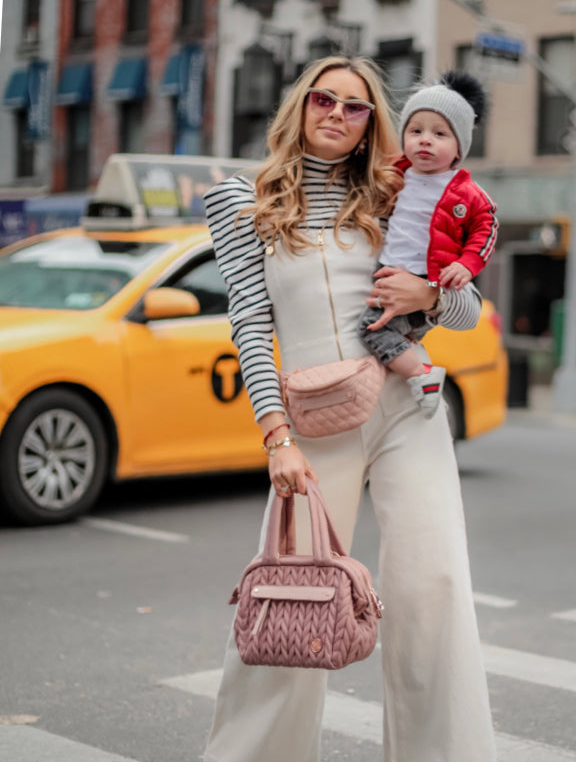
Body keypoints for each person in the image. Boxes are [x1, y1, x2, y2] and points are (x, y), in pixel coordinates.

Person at [200, 55, 495, 761]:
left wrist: (430, 296)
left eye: (355, 106)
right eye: (323, 99)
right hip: (313, 424)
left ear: (371, 126)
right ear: (300, 107)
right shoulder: (246, 202)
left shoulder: (401, 194)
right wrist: (276, 439)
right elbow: (247, 322)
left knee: (434, 589)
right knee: (289, 599)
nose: (336, 113)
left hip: (405, 411)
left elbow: (465, 309)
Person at [355, 70, 496, 409]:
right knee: (386, 334)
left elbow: (485, 228)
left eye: (439, 133)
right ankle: (414, 372)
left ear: (459, 147)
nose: (425, 140)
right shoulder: (393, 178)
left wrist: (467, 264)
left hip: (426, 277)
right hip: (389, 270)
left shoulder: (465, 192)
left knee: (372, 330)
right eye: (416, 131)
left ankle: (422, 375)